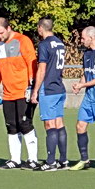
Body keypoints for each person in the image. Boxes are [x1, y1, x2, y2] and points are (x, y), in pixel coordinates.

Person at [0, 17, 40, 169]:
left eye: (1, 33)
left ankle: (33, 159)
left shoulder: (23, 40)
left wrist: (32, 87)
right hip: (8, 94)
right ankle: (15, 159)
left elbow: (32, 63)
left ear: (8, 28)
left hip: (23, 91)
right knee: (11, 126)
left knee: (25, 124)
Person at [69, 26, 95, 171]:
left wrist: (83, 85)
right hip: (89, 97)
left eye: (83, 38)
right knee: (80, 126)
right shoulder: (86, 53)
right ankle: (84, 159)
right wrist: (80, 84)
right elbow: (86, 72)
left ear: (91, 37)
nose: (81, 40)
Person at [30, 18, 68, 170]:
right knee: (59, 123)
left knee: (49, 124)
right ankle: (63, 160)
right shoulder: (60, 43)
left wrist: (35, 91)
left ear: (41, 28)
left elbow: (42, 69)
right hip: (59, 87)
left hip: (49, 88)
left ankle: (50, 161)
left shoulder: (44, 44)